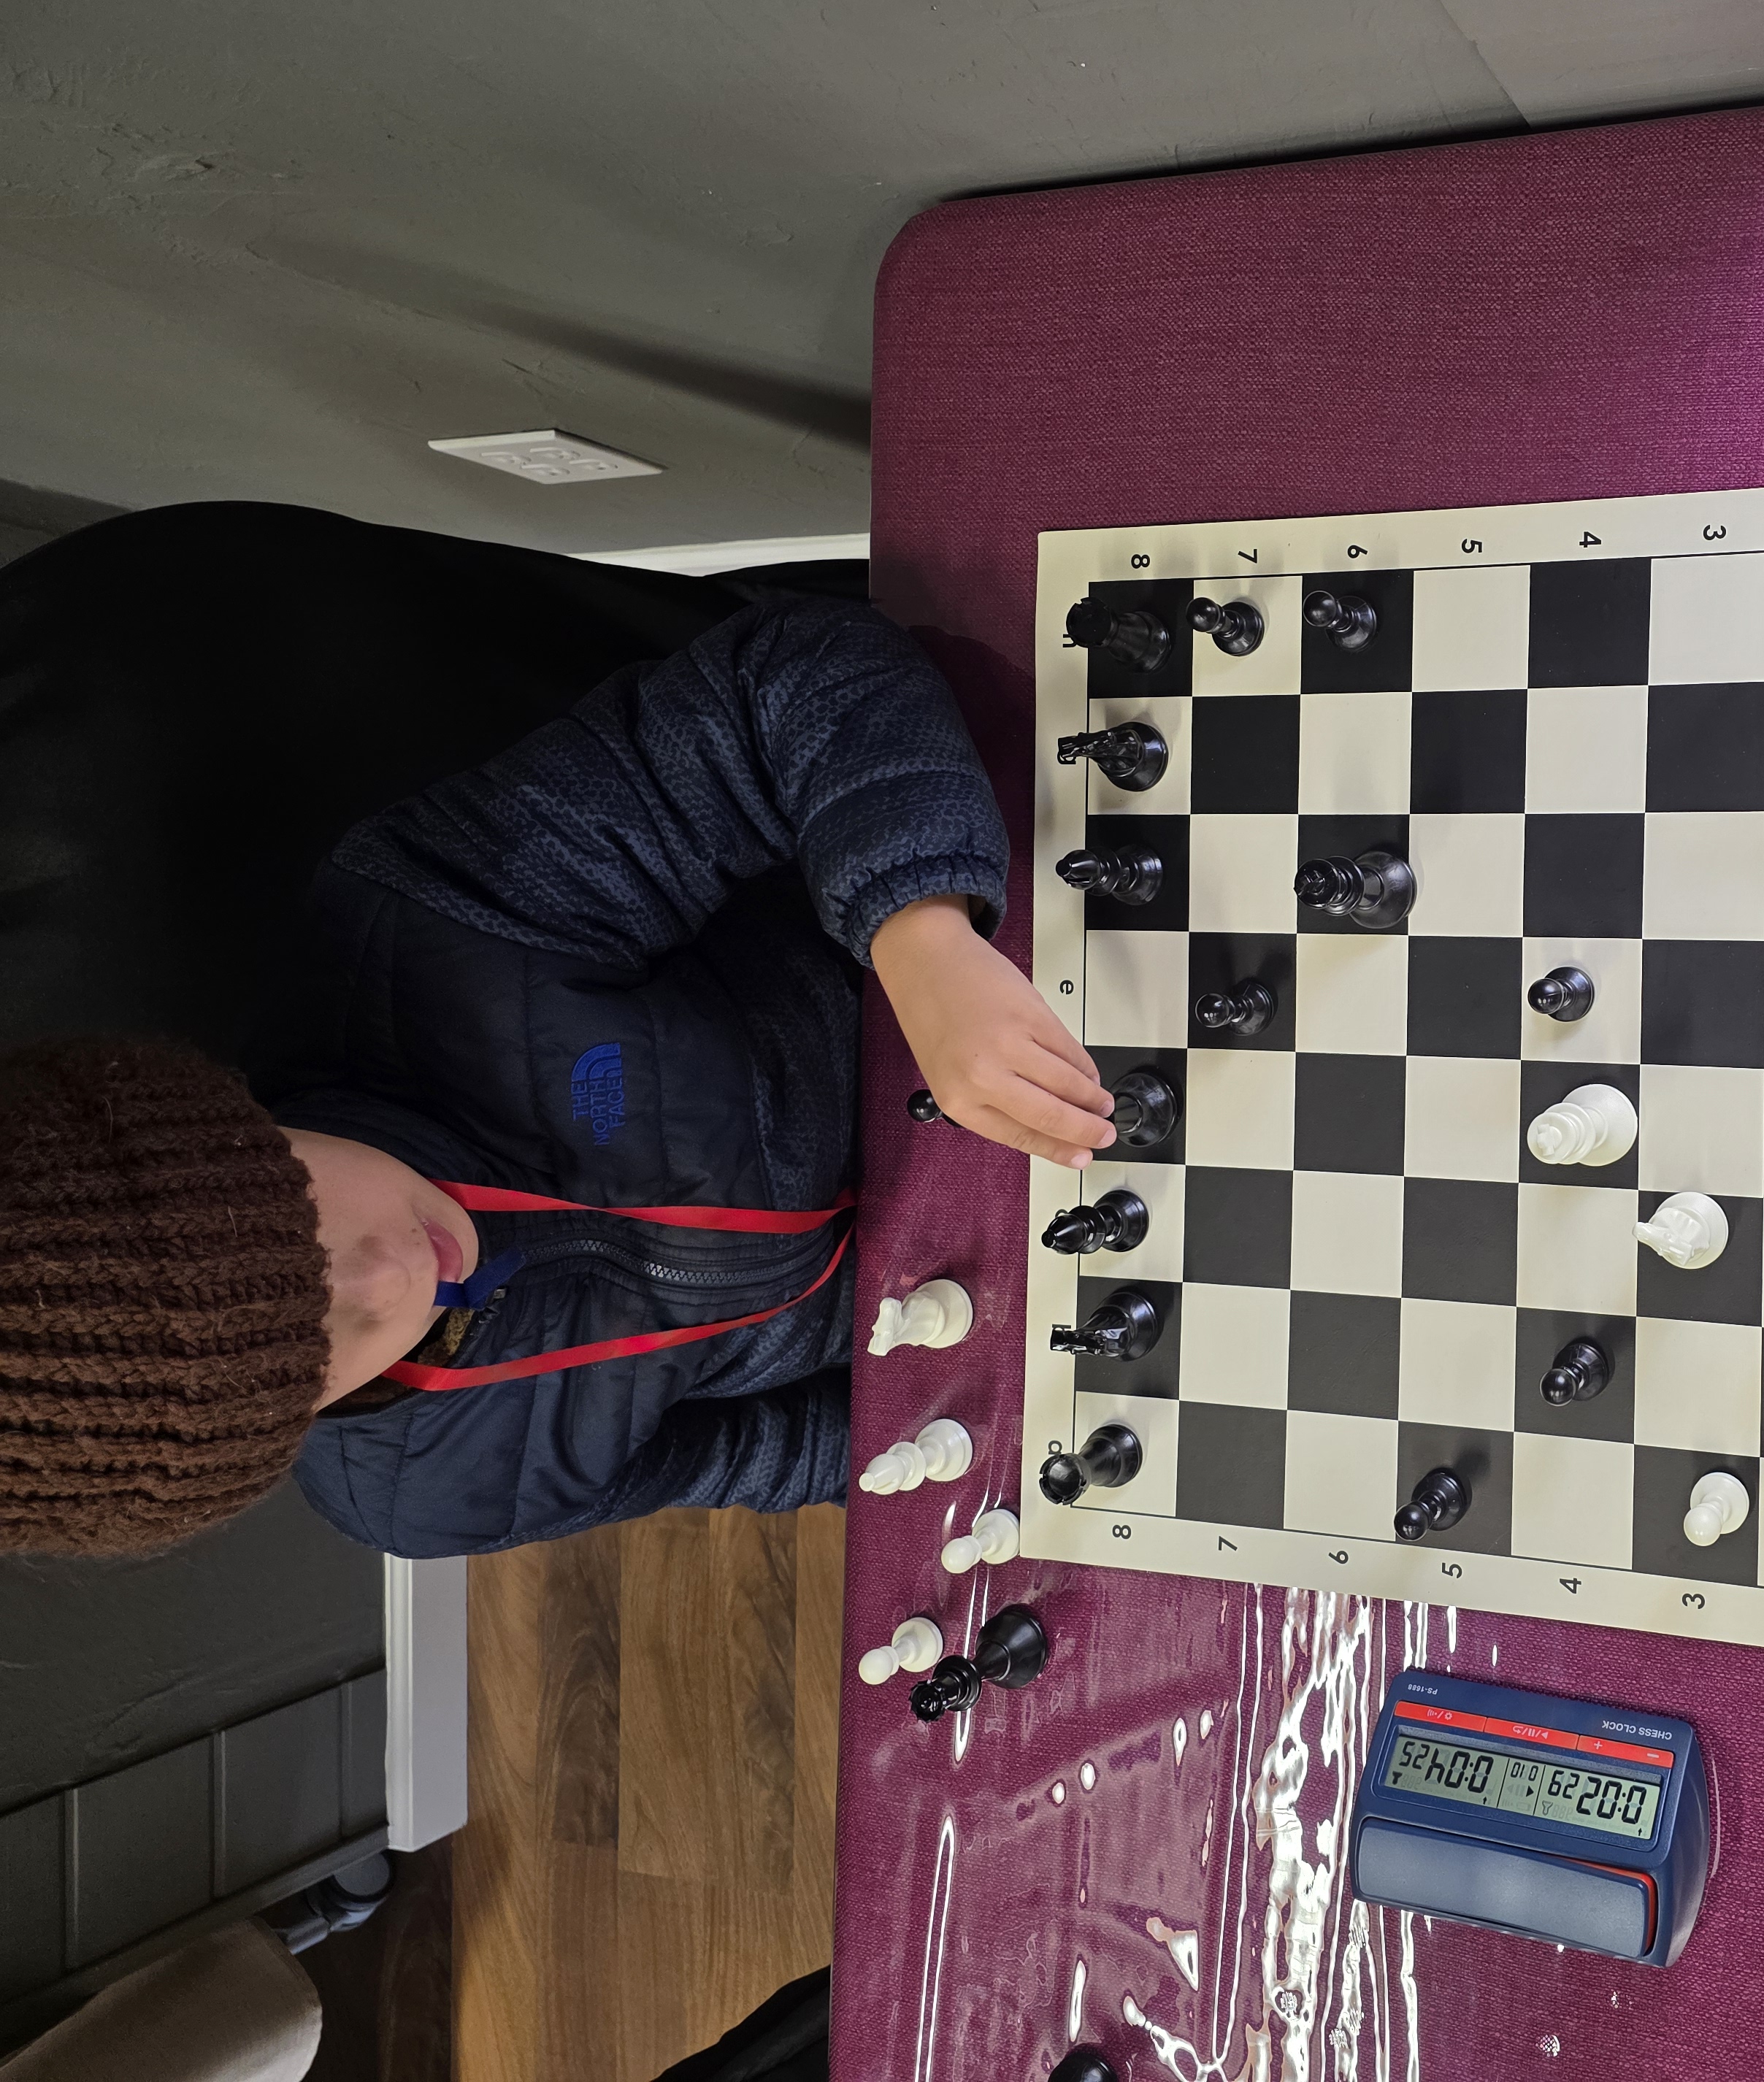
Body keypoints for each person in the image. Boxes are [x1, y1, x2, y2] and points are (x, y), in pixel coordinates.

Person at [0, 588, 1113, 1558]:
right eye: (311, 1365)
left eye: (293, 1227)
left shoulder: (430, 928)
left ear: (222, 1127)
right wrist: (980, 1426)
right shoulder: (426, 1496)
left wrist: (917, 929)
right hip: (1071, 1281)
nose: (387, 1282)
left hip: (1068, 994)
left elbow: (796, 675)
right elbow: (776, 1454)